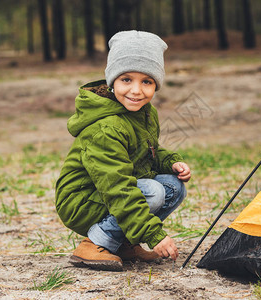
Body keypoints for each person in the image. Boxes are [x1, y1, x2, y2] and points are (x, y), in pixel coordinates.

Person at [55, 30, 191, 272]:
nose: (136, 91)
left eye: (146, 81)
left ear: (156, 84)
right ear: (112, 81)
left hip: (111, 191)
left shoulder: (144, 113)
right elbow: (117, 187)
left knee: (174, 186)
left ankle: (121, 243)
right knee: (152, 191)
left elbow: (148, 152)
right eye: (126, 80)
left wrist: (171, 162)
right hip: (82, 200)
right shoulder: (105, 128)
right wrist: (154, 235)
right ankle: (94, 243)